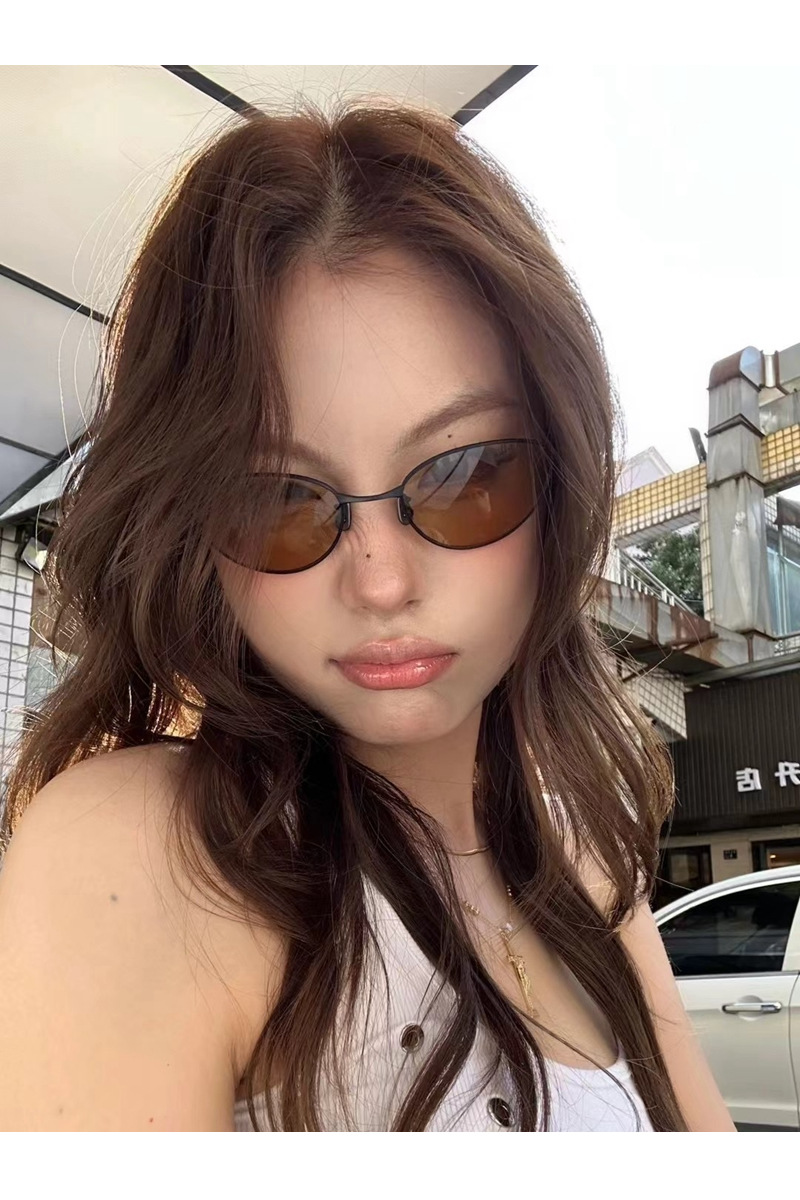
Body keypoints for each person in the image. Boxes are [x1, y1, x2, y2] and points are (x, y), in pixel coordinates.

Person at [0, 99, 735, 1132]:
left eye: (465, 475)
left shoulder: (582, 850)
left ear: (561, 481)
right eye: (275, 502)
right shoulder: (146, 856)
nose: (381, 581)